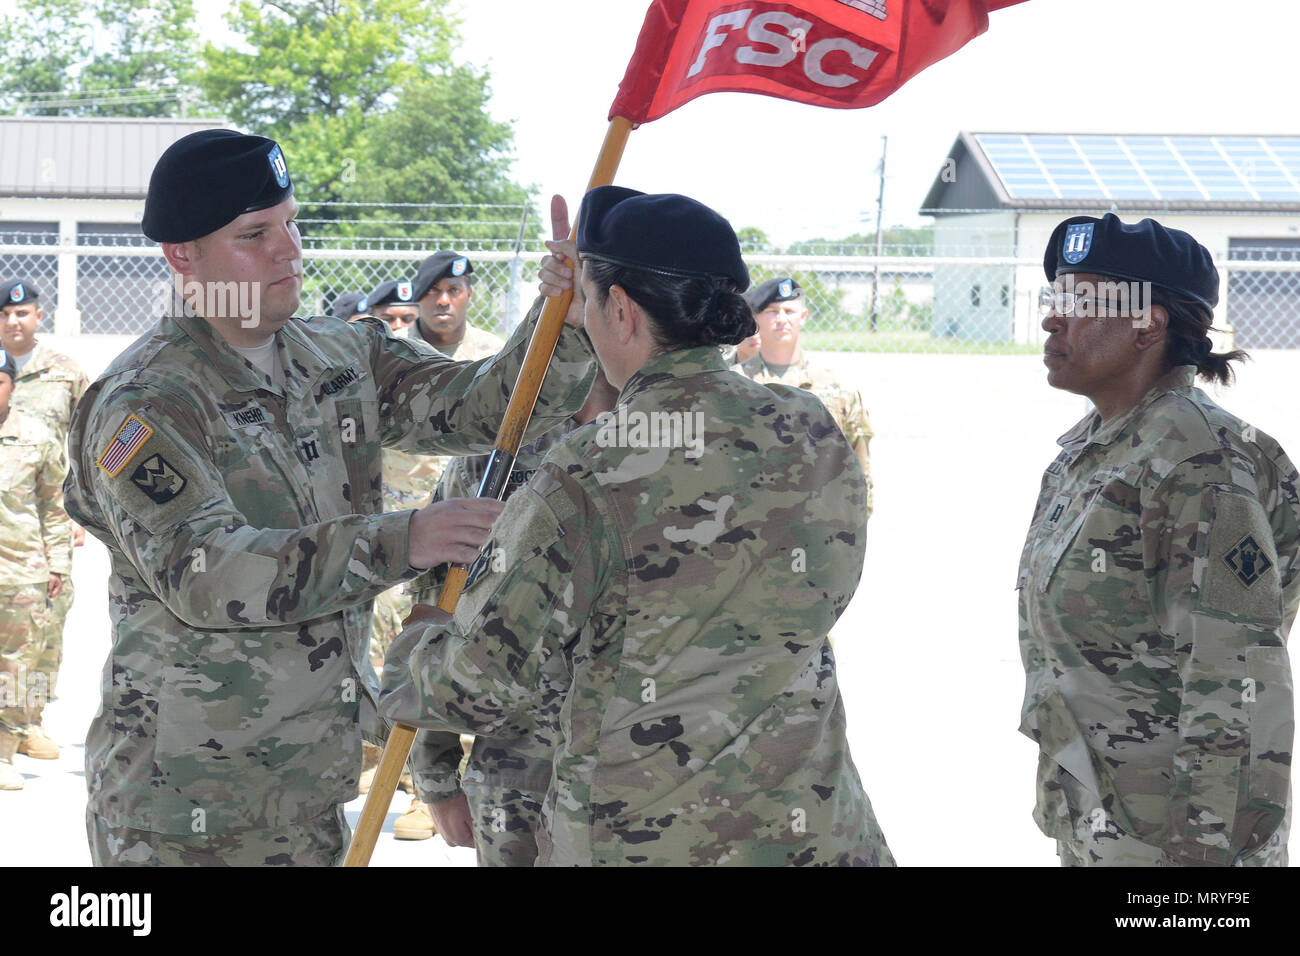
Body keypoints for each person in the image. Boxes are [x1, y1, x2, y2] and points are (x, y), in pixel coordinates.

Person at [61, 130, 596, 866]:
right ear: (183, 257)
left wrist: (557, 323)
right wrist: (405, 540)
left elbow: (486, 408)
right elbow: (206, 572)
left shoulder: (338, 354)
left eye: (291, 222)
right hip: (183, 808)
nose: (289, 250)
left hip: (309, 786)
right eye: (254, 234)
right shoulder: (146, 402)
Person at [381, 187, 894, 866]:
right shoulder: (808, 426)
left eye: (588, 304)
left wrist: (414, 640)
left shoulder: (587, 471)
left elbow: (471, 684)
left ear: (619, 311)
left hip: (644, 833)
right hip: (811, 825)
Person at [1019, 213, 1300, 867]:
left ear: (1149, 322)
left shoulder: (1199, 458)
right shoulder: (1093, 450)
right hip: (1107, 822)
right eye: (1052, 298)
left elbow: (1234, 682)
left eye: (1077, 301)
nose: (1051, 319)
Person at [408, 368, 620, 862]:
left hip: (651, 759)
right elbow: (440, 615)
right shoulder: (499, 458)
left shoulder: (682, 440)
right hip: (519, 766)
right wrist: (437, 777)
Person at [0, 279, 87, 759]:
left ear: (38, 316)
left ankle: (27, 724)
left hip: (45, 520)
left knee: (43, 627)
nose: (14, 322)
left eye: (23, 313)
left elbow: (95, 440)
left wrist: (82, 511)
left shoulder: (65, 373)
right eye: (6, 315)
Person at [738, 277, 874, 519]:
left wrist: (858, 519)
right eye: (771, 312)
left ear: (803, 316)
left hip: (820, 525)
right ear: (756, 319)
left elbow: (859, 463)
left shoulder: (837, 388)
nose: (781, 319)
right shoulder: (736, 383)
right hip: (751, 527)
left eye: (789, 311)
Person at [0, 348, 71, 790]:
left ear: (11, 385)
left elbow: (53, 505)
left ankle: (6, 747)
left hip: (21, 571)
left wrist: (58, 563)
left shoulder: (37, 436)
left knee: (17, 667)